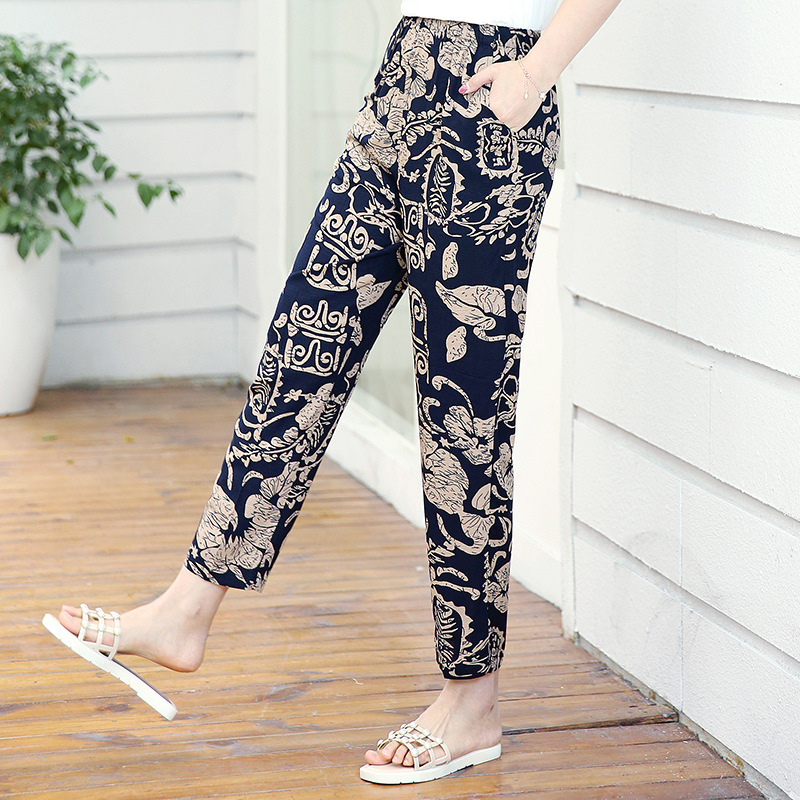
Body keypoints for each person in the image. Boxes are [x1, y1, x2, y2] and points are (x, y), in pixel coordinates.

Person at [43, 0, 623, 785]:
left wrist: (536, 72)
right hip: (406, 70)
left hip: (497, 87)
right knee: (301, 349)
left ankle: (472, 699)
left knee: (463, 410)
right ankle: (188, 608)